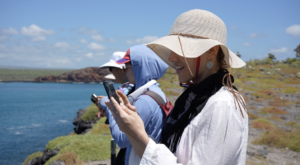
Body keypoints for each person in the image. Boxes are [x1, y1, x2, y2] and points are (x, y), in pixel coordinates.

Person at [105, 9, 249, 165]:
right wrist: (132, 130)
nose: (172, 58)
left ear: (211, 51)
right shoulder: (195, 98)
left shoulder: (221, 104)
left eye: (181, 48)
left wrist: (138, 134)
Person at [98, 45, 169, 165]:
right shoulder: (154, 92)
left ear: (140, 68)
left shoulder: (145, 100)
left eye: (127, 66)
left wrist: (110, 106)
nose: (123, 70)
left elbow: (122, 139)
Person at [97, 51, 135, 165]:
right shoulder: (128, 87)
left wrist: (104, 102)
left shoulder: (127, 89)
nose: (110, 71)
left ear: (121, 68)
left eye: (111, 68)